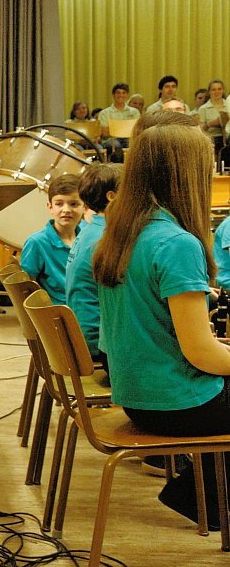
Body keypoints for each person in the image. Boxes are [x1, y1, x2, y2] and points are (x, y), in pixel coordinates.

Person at [93, 123, 230, 530]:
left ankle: (200, 494)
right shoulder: (176, 244)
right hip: (176, 403)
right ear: (188, 176)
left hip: (138, 396)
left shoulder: (122, 235)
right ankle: (198, 496)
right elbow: (201, 354)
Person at [65, 163, 122, 365]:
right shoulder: (107, 239)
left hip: (83, 334)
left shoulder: (91, 230)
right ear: (112, 197)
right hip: (97, 343)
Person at [19, 175, 85, 306]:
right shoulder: (36, 242)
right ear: (50, 207)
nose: (66, 210)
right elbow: (25, 288)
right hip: (60, 312)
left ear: (84, 207)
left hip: (86, 306)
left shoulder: (88, 239)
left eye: (73, 204)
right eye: (59, 204)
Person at [97, 82, 140, 162]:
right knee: (116, 146)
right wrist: (125, 129)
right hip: (111, 140)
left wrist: (114, 129)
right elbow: (104, 132)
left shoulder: (135, 112)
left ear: (127, 95)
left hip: (129, 139)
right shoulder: (104, 113)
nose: (121, 95)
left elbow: (136, 129)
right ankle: (118, 168)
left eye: (124, 93)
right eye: (118, 93)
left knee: (136, 145)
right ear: (113, 95)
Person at [195, 79, 230, 161]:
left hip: (227, 140)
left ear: (223, 90)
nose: (217, 92)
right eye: (213, 89)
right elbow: (200, 130)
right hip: (211, 142)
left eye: (219, 89)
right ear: (209, 92)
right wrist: (210, 123)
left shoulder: (228, 105)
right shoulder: (203, 109)